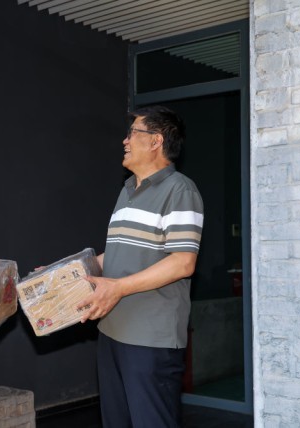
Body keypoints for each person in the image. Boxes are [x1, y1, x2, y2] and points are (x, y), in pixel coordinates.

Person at [78, 105, 204, 427]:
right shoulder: (127, 191)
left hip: (151, 339)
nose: (125, 141)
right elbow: (115, 255)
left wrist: (118, 288)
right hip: (111, 330)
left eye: (132, 133)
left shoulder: (180, 190)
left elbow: (183, 262)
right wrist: (64, 274)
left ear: (156, 141)